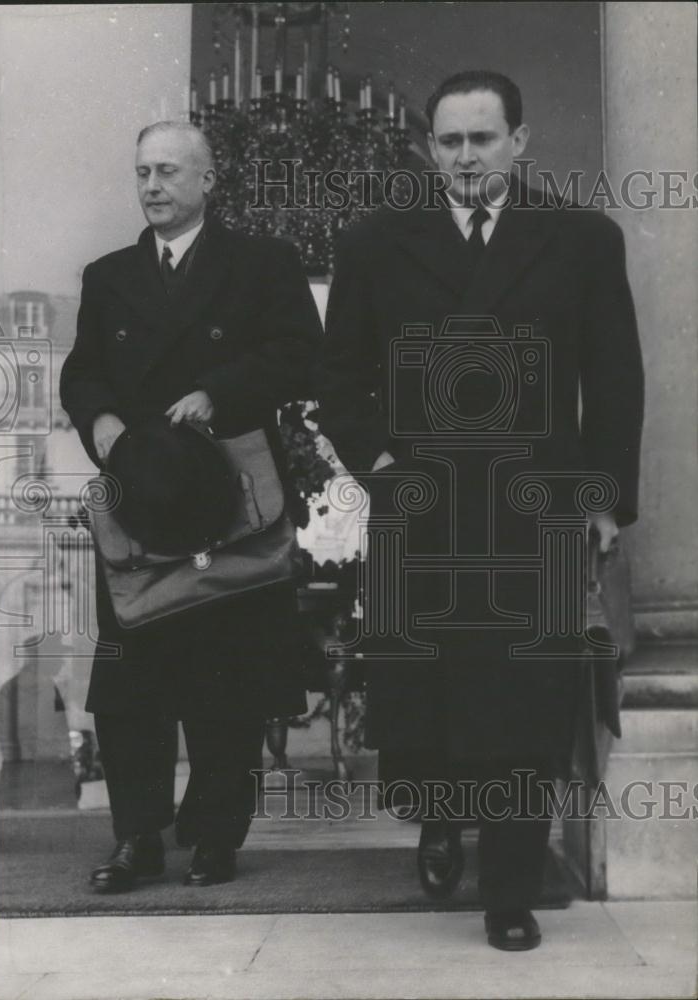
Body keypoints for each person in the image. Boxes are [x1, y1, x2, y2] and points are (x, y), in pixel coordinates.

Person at [317, 71, 644, 950]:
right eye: (451, 141)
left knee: (524, 703)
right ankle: (434, 817)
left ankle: (509, 889)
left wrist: (606, 500)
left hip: (530, 509)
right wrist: (381, 462)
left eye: (484, 139)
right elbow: (339, 380)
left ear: (520, 142)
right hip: (419, 508)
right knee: (421, 696)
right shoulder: (376, 242)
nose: (466, 156)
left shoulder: (580, 239)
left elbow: (613, 384)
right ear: (430, 148)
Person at [60, 121, 322, 892]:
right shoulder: (107, 275)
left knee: (228, 681)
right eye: (142, 171)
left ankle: (214, 837)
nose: (152, 186)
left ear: (209, 180)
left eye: (169, 171)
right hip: (141, 498)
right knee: (131, 679)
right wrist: (99, 417)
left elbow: (301, 354)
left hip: (232, 500)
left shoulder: (263, 264)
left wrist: (220, 393)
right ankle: (138, 838)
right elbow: (83, 373)